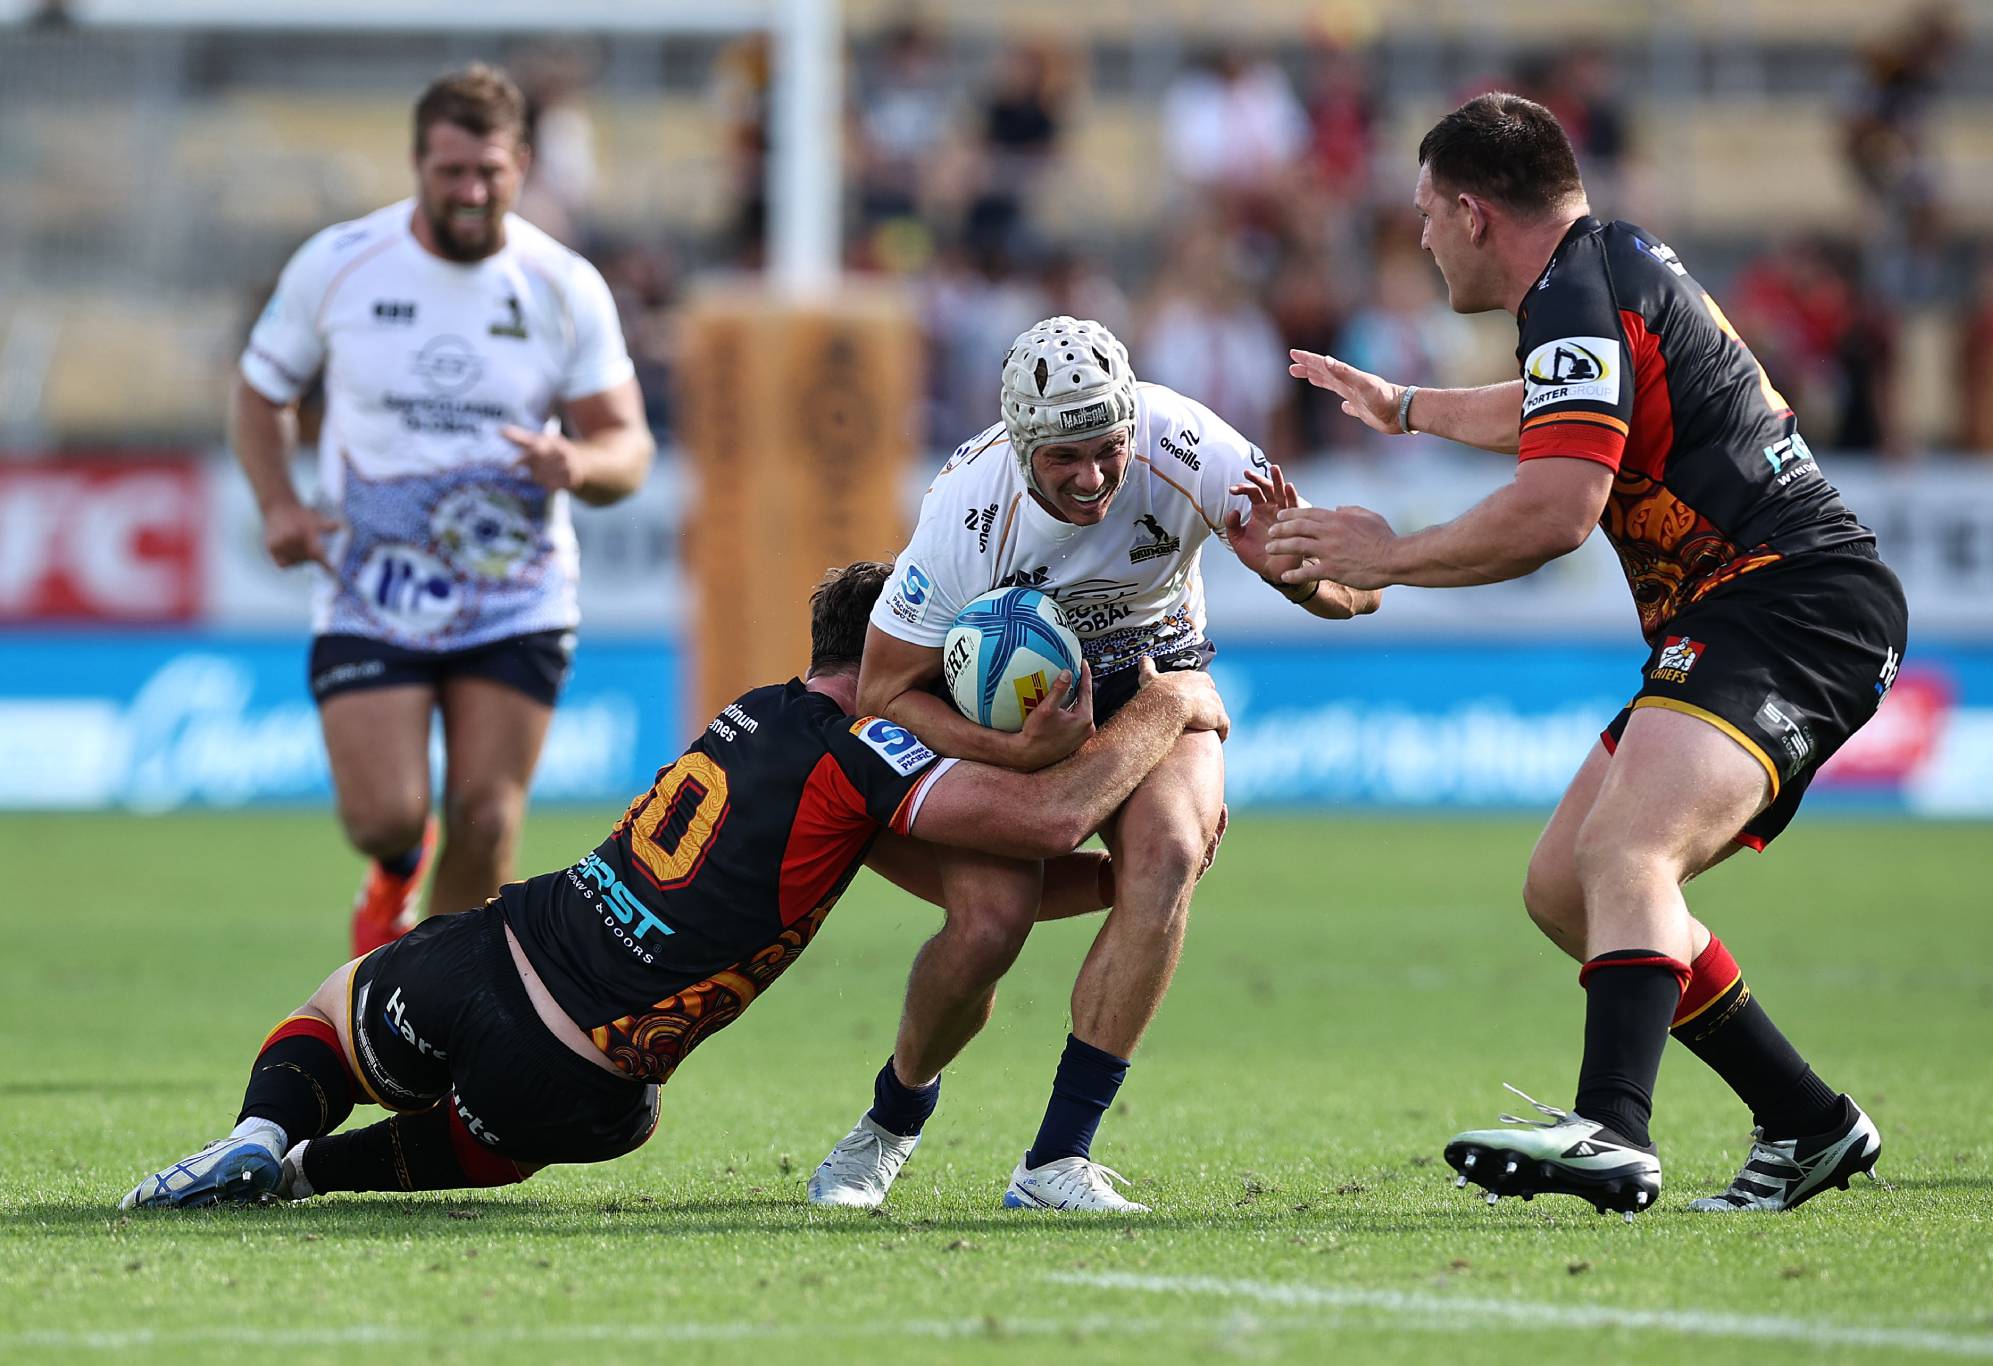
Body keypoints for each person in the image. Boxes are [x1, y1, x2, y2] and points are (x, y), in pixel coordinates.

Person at [120, 563, 1231, 1211]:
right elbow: (1041, 819)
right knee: (594, 1122)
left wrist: (1122, 882)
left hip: (488, 953)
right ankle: (313, 1177)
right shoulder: (867, 754)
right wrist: (1169, 702)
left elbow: (988, 882)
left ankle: (266, 1131)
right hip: (582, 1080)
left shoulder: (752, 713)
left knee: (332, 1010)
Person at [1273, 94, 1908, 1216]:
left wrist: (1387, 556)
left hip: (1789, 603)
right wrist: (1407, 406)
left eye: (1424, 212)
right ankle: (1806, 1121)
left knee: (1626, 850)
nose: (1418, 237)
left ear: (1473, 213)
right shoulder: (1595, 272)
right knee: (1568, 885)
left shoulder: (1574, 283)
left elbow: (1556, 510)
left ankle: (1612, 1127)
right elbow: (1556, 409)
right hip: (1750, 609)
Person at [807, 316, 1379, 1214]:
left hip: (1159, 678)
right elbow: (883, 688)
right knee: (992, 922)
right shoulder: (967, 508)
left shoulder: (1193, 449)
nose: (1093, 478)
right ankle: (892, 1119)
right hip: (1006, 712)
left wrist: (1302, 576)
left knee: (1171, 858)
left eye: (1109, 450)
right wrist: (1011, 751)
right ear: (1020, 445)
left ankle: (1055, 1163)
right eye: (1064, 459)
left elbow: (1359, 596)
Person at [232, 65, 655, 957]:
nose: (470, 192)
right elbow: (260, 391)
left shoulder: (562, 284)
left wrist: (575, 462)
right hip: (370, 585)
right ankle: (392, 869)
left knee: (486, 816)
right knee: (385, 815)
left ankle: (429, 997)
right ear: (418, 164)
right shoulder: (341, 262)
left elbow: (629, 449)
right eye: (451, 172)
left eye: (489, 173)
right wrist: (279, 501)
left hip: (515, 594)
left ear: (523, 164)